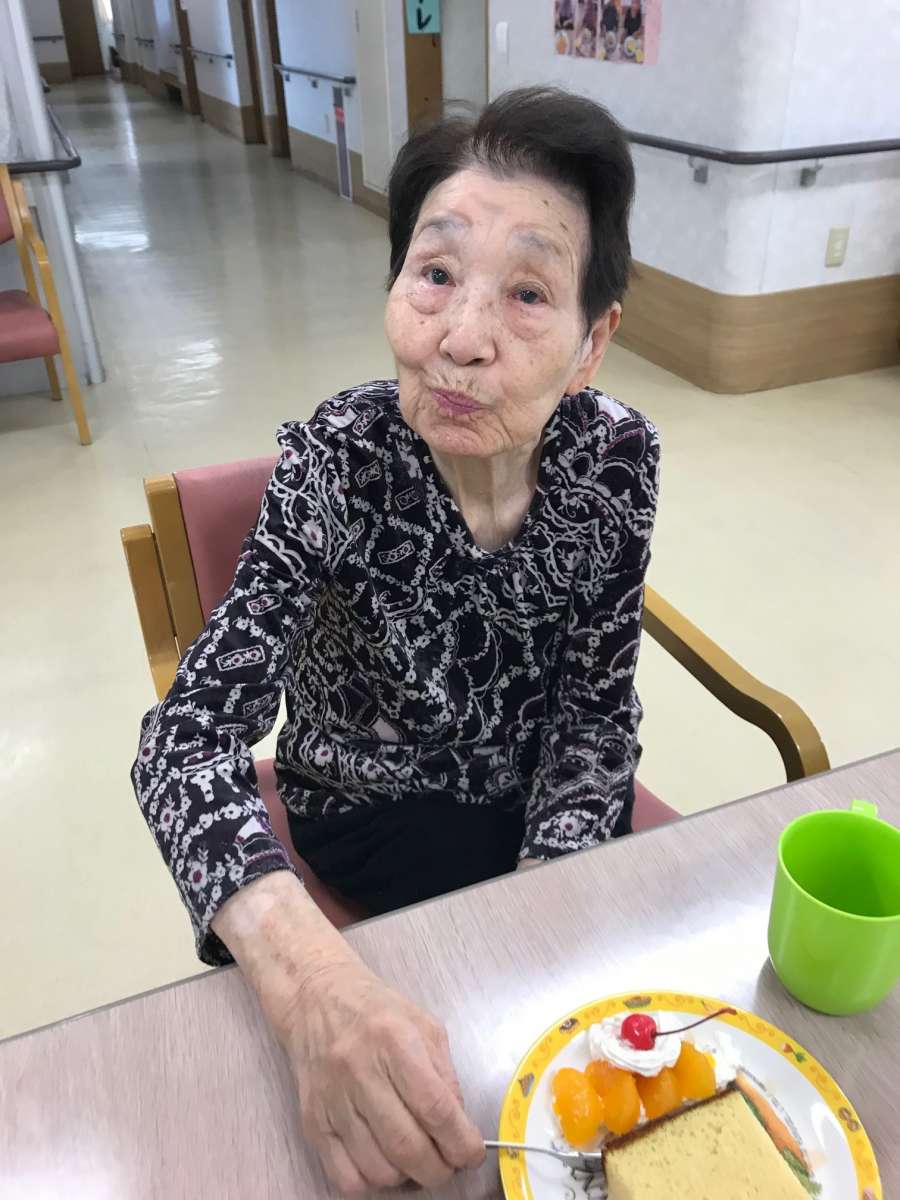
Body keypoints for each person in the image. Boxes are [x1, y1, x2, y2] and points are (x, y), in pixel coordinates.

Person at [133, 86, 659, 1196]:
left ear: (592, 341)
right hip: (373, 813)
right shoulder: (338, 462)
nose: (459, 340)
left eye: (528, 293)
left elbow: (595, 713)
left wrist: (550, 885)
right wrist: (312, 990)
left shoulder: (616, 460)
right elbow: (183, 746)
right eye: (435, 274)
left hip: (540, 799)